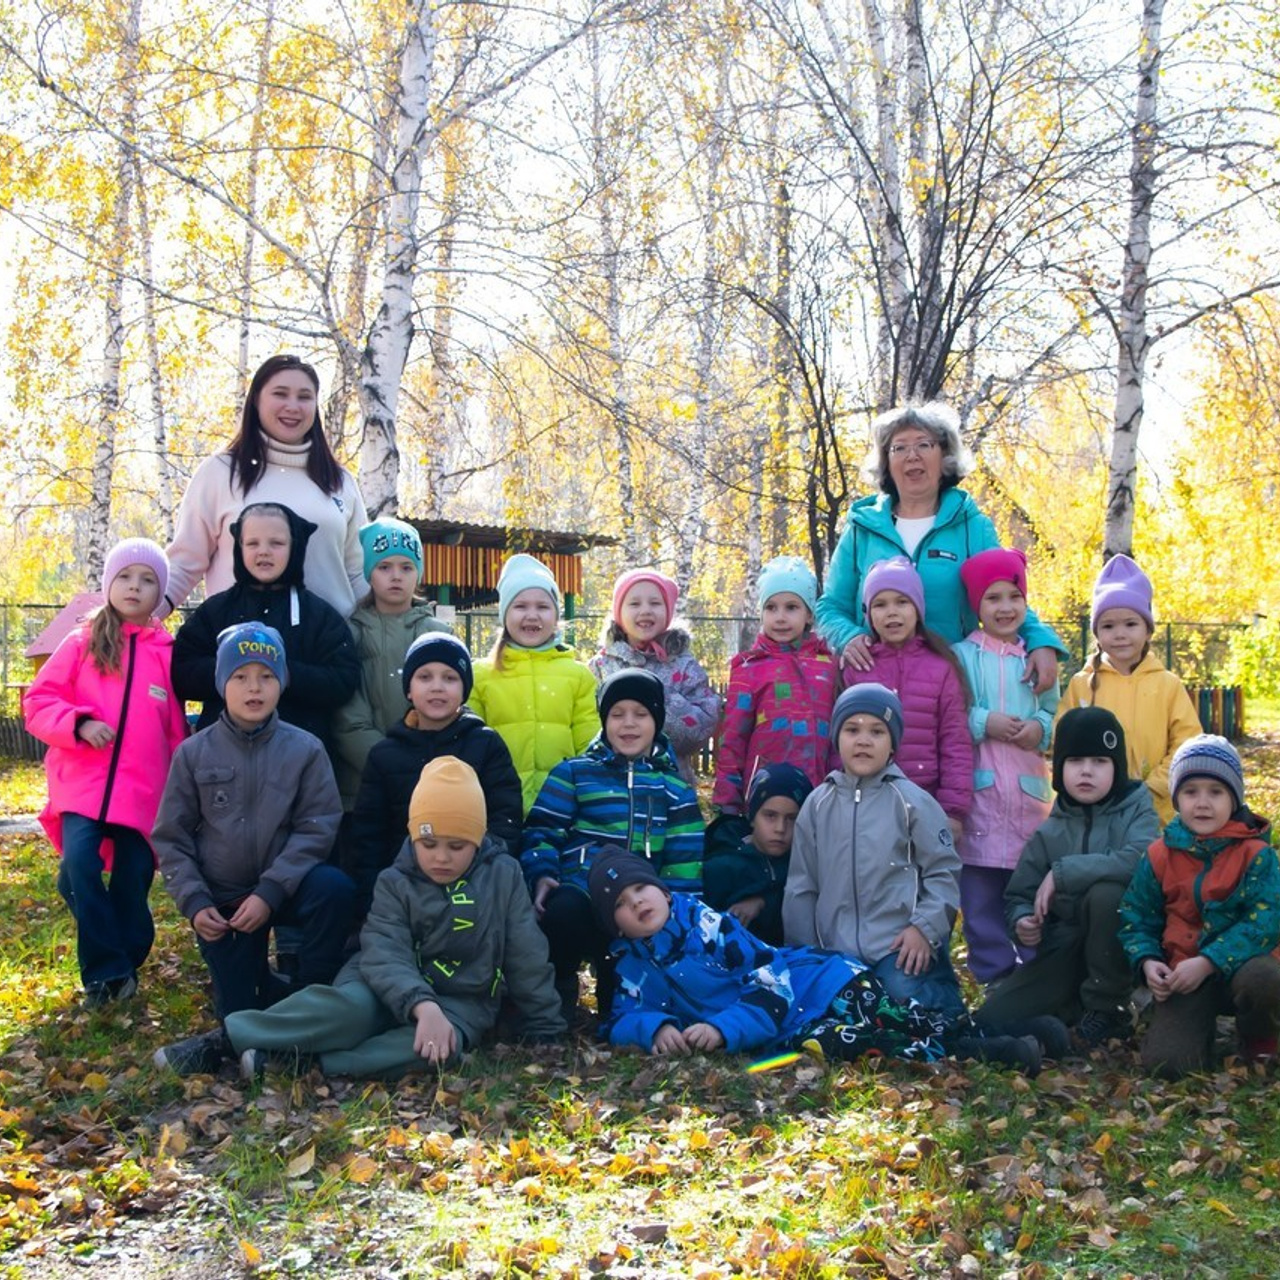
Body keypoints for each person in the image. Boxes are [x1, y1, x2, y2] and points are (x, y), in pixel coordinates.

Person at [225, 758, 565, 1079]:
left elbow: (526, 953)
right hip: (379, 985)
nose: (441, 857)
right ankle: (228, 1039)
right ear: (413, 836)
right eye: (428, 843)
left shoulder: (503, 876)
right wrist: (421, 1004)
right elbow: (385, 952)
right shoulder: (395, 880)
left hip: (461, 1000)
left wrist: (545, 1024)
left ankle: (306, 1064)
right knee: (349, 1012)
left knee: (437, 1050)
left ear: (477, 841)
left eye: (457, 846)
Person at [591, 848, 1047, 1074]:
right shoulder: (633, 966)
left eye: (640, 891)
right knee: (868, 1043)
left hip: (818, 985)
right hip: (798, 1030)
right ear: (616, 927)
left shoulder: (705, 926)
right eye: (621, 906)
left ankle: (1006, 1038)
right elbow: (619, 1018)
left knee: (903, 1017)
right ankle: (980, 1052)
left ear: (663, 890)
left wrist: (722, 1029)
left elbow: (769, 976)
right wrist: (655, 1028)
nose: (636, 904)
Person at [152, 624, 353, 1075]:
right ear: (222, 683)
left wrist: (270, 891)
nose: (254, 688)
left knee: (335, 888)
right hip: (223, 901)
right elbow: (172, 837)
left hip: (288, 887)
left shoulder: (306, 749)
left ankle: (309, 1001)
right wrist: (195, 901)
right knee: (240, 1005)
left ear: (282, 682)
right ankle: (252, 1022)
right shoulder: (193, 753)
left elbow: (317, 827)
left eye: (266, 676)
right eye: (241, 676)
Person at [23, 540, 188, 1006]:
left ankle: (126, 957)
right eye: (126, 577)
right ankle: (105, 975)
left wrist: (180, 791)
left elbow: (175, 728)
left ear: (160, 593)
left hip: (142, 792)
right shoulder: (81, 642)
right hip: (82, 786)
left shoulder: (167, 652)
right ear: (109, 584)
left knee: (133, 878)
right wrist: (78, 722)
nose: (135, 587)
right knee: (80, 864)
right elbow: (38, 702)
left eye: (148, 579)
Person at [813, 401, 1064, 692]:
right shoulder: (861, 528)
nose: (912, 456)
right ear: (886, 463)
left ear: (944, 456)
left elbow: (1004, 594)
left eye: (924, 445)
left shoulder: (972, 526)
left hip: (952, 687)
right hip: (874, 687)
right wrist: (848, 637)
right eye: (899, 448)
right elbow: (830, 607)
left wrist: (1039, 639)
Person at [520, 669, 704, 1022]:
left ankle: (620, 996)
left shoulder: (674, 790)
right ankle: (557, 990)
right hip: (583, 890)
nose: (628, 724)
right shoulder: (574, 773)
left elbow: (684, 861)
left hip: (637, 904)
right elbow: (543, 830)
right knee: (561, 913)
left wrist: (681, 913)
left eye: (641, 714)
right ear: (604, 720)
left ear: (657, 721)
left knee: (616, 1008)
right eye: (617, 714)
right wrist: (542, 874)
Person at [973, 708, 1160, 1047]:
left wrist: (1063, 873)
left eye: (1099, 761)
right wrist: (1024, 923)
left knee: (1106, 894)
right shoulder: (1050, 829)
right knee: (990, 1018)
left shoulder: (1137, 809)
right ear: (1060, 769)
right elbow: (1019, 895)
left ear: (1116, 767)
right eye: (1075, 761)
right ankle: (1063, 1015)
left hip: (1124, 950)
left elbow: (1141, 859)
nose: (1086, 771)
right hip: (1065, 950)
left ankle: (1111, 1009)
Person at [783, 684, 965, 1019]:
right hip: (835, 951)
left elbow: (943, 872)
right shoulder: (817, 804)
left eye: (877, 732)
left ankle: (944, 1002)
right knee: (835, 1012)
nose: (863, 740)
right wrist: (807, 954)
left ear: (893, 743)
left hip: (897, 946)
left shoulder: (912, 801)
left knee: (900, 1004)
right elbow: (801, 886)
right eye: (852, 730)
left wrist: (923, 928)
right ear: (837, 737)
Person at [1119, 736, 1280, 1078]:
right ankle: (1196, 1031)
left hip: (1244, 966)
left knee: (1266, 979)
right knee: (1169, 1065)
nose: (1203, 803)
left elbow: (1266, 920)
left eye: (1216, 792)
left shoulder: (1256, 855)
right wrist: (1148, 961)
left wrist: (1209, 962)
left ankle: (1258, 1032)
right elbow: (1137, 916)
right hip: (1183, 972)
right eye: (1191, 792)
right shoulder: (1159, 855)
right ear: (1177, 798)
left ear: (1234, 798)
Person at [163, 353, 368, 618]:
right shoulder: (221, 472)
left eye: (304, 397)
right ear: (256, 400)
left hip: (329, 651)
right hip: (241, 650)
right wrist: (125, 622)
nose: (293, 406)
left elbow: (359, 573)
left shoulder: (339, 480)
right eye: (280, 394)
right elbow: (184, 563)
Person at [345, 633, 522, 922]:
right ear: (408, 690)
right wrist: (371, 900)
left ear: (464, 688)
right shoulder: (384, 754)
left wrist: (476, 868)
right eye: (425, 677)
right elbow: (369, 836)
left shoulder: (486, 745)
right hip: (402, 886)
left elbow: (506, 818)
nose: (437, 687)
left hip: (472, 882)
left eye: (450, 678)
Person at [171, 502, 360, 751]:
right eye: (252, 543)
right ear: (239, 547)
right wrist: (232, 672)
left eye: (276, 543)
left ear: (295, 546)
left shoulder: (319, 616)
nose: (264, 552)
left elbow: (343, 680)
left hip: (298, 760)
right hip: (221, 759)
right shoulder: (216, 611)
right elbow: (181, 672)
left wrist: (284, 673)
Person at [952, 548, 1059, 984]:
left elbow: (1053, 710)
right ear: (977, 605)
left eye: (1014, 596)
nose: (1005, 607)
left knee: (1029, 894)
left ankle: (1033, 980)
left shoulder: (1035, 659)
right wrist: (984, 722)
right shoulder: (962, 656)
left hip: (1029, 802)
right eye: (993, 598)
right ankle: (995, 977)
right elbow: (953, 713)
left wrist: (1041, 728)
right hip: (981, 798)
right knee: (979, 899)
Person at [1057, 554, 1201, 823]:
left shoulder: (1167, 685)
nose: (1120, 634)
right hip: (1094, 813)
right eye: (1109, 626)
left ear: (1148, 630)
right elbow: (1061, 742)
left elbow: (1187, 743)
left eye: (1131, 624)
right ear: (1097, 634)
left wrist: (1153, 787)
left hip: (1155, 811)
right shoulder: (1082, 685)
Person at [330, 517, 451, 813]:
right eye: (385, 567)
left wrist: (421, 764)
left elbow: (452, 703)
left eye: (406, 567)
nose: (396, 576)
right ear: (370, 573)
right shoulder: (350, 633)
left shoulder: (437, 633)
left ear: (418, 574)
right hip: (363, 787)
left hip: (429, 784)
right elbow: (348, 718)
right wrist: (390, 762)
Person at [844, 557, 973, 833]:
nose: (892, 612)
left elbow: (955, 742)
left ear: (917, 608)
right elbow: (840, 741)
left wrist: (953, 811)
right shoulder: (858, 667)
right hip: (866, 807)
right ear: (868, 613)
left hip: (926, 806)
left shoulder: (941, 668)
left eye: (902, 602)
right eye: (880, 604)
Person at [470, 554, 598, 812]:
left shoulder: (579, 675)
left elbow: (589, 743)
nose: (532, 615)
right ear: (504, 614)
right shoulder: (480, 675)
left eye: (542, 606)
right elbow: (471, 745)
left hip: (561, 806)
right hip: (496, 806)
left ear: (556, 615)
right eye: (520, 606)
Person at [712, 556, 840, 813]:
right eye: (771, 607)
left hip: (822, 796)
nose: (780, 617)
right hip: (764, 797)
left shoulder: (829, 667)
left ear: (809, 615)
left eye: (791, 607)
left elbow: (840, 733)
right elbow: (733, 740)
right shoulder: (749, 668)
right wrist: (728, 803)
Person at [588, 568, 721, 783]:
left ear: (668, 612)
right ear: (618, 612)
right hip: (609, 783)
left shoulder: (684, 666)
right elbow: (588, 723)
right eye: (634, 603)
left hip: (670, 783)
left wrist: (659, 696)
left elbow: (701, 728)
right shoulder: (601, 666)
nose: (645, 610)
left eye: (655, 603)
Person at [703, 763, 813, 946]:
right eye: (770, 816)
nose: (780, 828)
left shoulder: (806, 863)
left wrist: (763, 903)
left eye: (792, 818)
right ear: (752, 817)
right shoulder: (722, 865)